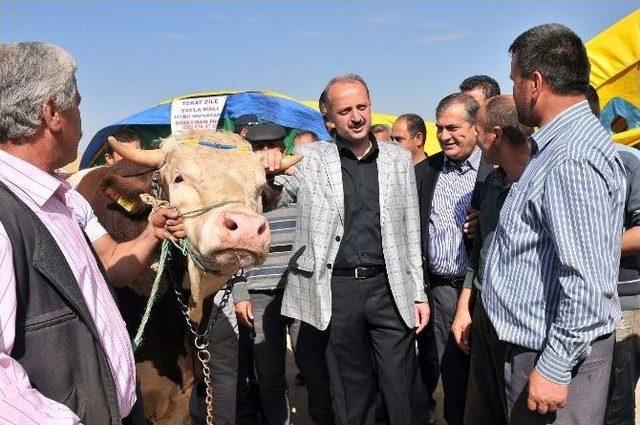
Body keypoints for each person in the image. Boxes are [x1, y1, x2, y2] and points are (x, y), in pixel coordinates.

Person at [0, 42, 183, 424]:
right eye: (77, 104)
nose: (82, 120)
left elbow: (112, 264)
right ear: (52, 113)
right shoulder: (4, 214)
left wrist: (152, 232)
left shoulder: (66, 199)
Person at [479, 24, 625, 424]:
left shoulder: (571, 157)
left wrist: (556, 365)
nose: (514, 88)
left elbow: (589, 282)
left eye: (514, 78)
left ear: (535, 83)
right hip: (540, 349)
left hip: (552, 356)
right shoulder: (559, 146)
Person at [265, 74, 429, 425]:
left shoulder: (397, 160)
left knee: (400, 387)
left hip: (389, 288)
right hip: (335, 291)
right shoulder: (308, 158)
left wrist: (418, 292)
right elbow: (275, 197)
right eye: (345, 110)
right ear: (329, 120)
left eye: (362, 107)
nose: (356, 117)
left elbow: (410, 229)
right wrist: (269, 171)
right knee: (352, 394)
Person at [449, 95, 533, 424]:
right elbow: (480, 252)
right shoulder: (493, 184)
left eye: (479, 130)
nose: (477, 140)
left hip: (520, 324)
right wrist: (464, 309)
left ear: (494, 135)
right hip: (484, 311)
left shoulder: (540, 185)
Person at [413, 92, 493, 425]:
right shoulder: (425, 172)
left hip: (485, 290)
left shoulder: (495, 170)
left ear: (476, 128)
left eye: (453, 128)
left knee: (487, 380)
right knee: (453, 377)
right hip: (442, 293)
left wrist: (486, 219)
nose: (445, 136)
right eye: (439, 128)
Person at [585, 85, 640, 425]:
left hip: (624, 300)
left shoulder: (625, 162)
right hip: (584, 300)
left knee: (616, 402)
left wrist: (588, 245)